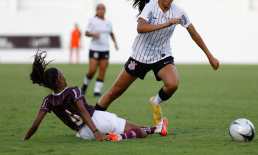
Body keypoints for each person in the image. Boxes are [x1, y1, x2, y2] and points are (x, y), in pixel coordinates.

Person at [94, 0, 220, 125]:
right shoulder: (150, 7)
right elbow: (140, 28)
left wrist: (210, 56)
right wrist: (166, 23)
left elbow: (194, 34)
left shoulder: (179, 12)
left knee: (173, 84)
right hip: (140, 56)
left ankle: (156, 102)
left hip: (161, 55)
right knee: (115, 92)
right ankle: (92, 120)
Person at [23, 50, 167, 141]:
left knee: (131, 127)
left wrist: (25, 139)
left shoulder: (48, 100)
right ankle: (119, 137)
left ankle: (157, 128)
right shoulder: (73, 90)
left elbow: (36, 124)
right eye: (63, 74)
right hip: (96, 121)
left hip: (83, 133)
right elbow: (82, 111)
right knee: (139, 132)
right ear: (60, 79)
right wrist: (97, 132)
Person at [81, 4, 119, 97]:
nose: (101, 11)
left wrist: (115, 43)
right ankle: (85, 85)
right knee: (93, 70)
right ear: (96, 11)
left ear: (105, 11)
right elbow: (86, 32)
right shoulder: (92, 21)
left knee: (102, 70)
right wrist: (93, 35)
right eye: (99, 9)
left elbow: (111, 33)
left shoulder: (108, 22)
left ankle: (97, 91)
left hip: (105, 49)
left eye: (103, 9)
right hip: (94, 49)